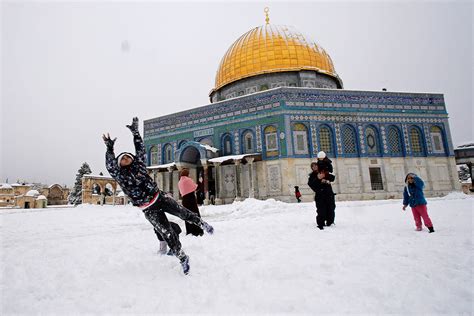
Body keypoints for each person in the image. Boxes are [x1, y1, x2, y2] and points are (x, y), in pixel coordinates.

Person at [103, 117, 214, 275]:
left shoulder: (140, 165)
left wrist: (135, 133)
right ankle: (182, 257)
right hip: (148, 208)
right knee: (166, 232)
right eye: (123, 158)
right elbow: (110, 166)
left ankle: (202, 224)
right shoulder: (120, 175)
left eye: (128, 156)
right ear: (119, 163)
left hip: (159, 197)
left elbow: (140, 149)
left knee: (182, 212)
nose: (126, 158)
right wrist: (109, 149)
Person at [308, 162, 336, 230]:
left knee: (331, 209)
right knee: (321, 210)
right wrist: (318, 178)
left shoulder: (323, 172)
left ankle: (330, 222)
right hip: (320, 196)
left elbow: (332, 178)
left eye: (315, 166)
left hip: (329, 194)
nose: (314, 167)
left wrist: (325, 176)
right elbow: (311, 184)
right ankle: (321, 223)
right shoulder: (312, 176)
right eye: (313, 166)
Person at [178, 168, 204, 236]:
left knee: (187, 215)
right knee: (195, 214)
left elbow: (182, 192)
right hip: (191, 199)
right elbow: (196, 188)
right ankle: (197, 230)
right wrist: (200, 182)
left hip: (184, 200)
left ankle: (189, 230)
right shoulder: (187, 180)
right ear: (187, 174)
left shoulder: (180, 182)